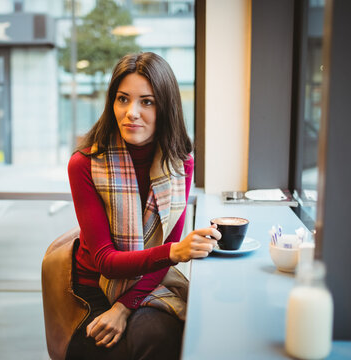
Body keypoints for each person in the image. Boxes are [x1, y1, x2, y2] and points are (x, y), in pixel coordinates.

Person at [66, 52, 220, 360]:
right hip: (96, 288)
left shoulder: (181, 162)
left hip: (151, 281)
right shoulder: (84, 164)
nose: (131, 112)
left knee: (160, 339)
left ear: (165, 107)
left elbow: (167, 250)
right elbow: (106, 261)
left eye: (146, 102)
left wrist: (125, 307)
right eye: (123, 99)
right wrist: (174, 252)